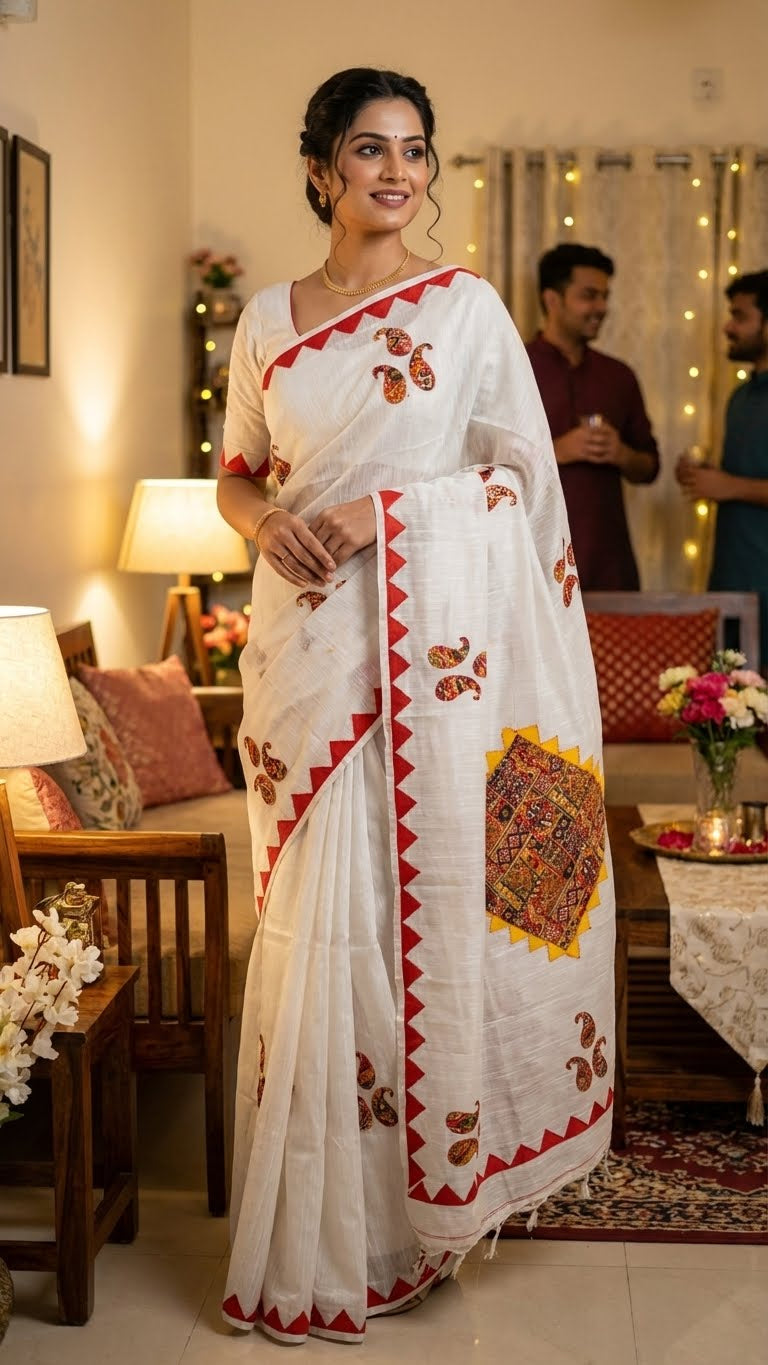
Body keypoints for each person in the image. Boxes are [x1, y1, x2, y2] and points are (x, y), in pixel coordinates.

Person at [216, 68, 615, 1346]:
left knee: (415, 924)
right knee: (319, 944)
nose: (398, 173)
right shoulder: (267, 319)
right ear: (323, 167)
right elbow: (233, 478)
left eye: (417, 153)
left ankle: (413, 1220)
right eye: (370, 150)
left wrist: (378, 514)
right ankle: (322, 1235)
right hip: (309, 659)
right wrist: (271, 520)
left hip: (432, 668)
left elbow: (521, 487)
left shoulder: (468, 310)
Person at [526, 243, 660, 590]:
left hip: (608, 564)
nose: (601, 307)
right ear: (552, 300)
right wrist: (557, 451)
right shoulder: (516, 368)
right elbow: (480, 463)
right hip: (533, 563)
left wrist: (622, 454)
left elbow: (649, 467)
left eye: (604, 296)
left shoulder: (618, 376)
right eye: (589, 295)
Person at [676, 270, 768, 671]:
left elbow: (737, 486)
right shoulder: (741, 396)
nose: (728, 327)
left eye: (740, 316)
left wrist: (728, 486)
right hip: (733, 577)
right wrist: (706, 477)